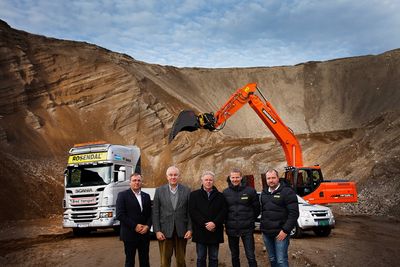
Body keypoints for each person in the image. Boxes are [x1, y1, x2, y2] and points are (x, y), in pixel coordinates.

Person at [152, 166, 192, 267]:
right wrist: (157, 230)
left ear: (179, 176)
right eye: (170, 175)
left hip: (181, 231)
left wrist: (190, 229)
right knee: (165, 262)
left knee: (181, 261)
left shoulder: (187, 190)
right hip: (164, 231)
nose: (173, 177)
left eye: (175, 175)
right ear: (167, 176)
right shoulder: (159, 191)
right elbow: (155, 212)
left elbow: (189, 212)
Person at [260, 169, 299, 267]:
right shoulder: (264, 193)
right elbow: (263, 212)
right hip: (267, 233)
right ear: (266, 179)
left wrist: (285, 230)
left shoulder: (287, 192)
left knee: (281, 260)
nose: (271, 180)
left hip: (280, 234)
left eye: (273, 178)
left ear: (278, 178)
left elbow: (294, 214)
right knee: (272, 259)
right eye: (269, 178)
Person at [223, 168, 260, 267]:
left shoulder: (250, 191)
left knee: (250, 256)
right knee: (234, 256)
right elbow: (224, 210)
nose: (235, 179)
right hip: (231, 229)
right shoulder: (225, 192)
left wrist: (250, 219)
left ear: (241, 177)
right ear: (230, 178)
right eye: (233, 177)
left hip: (247, 229)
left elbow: (257, 208)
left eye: (237, 177)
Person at [189, 171, 227, 267]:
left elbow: (223, 212)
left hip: (215, 231)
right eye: (206, 180)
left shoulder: (221, 196)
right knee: (201, 258)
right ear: (202, 181)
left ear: (213, 181)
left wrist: (214, 223)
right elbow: (193, 212)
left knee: (214, 258)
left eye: (210, 180)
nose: (208, 182)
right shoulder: (194, 195)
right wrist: (205, 224)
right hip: (200, 231)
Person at [116, 173, 152, 267]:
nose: (137, 182)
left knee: (145, 261)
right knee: (130, 262)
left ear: (141, 182)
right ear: (130, 182)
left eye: (139, 180)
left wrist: (148, 226)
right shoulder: (122, 195)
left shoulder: (146, 196)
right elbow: (120, 214)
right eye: (134, 180)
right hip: (129, 234)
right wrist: (135, 226)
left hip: (144, 235)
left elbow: (150, 214)